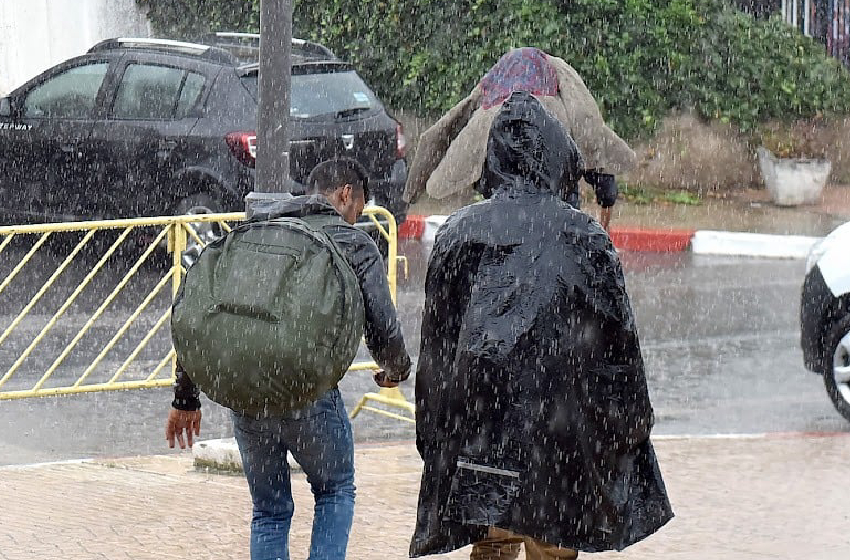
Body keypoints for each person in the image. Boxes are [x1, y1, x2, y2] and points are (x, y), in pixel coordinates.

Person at [409, 91, 672, 559]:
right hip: (559, 442)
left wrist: (433, 434)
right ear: (557, 158)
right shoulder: (584, 238)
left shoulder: (459, 233)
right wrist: (631, 423)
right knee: (552, 545)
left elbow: (438, 350)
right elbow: (618, 349)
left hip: (480, 436)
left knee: (491, 545)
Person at [166, 157, 412, 560]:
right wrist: (395, 370)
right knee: (335, 490)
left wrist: (185, 397)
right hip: (308, 393)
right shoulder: (352, 242)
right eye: (358, 208)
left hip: (246, 393)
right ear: (345, 194)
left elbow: (203, 316)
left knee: (269, 510)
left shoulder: (257, 231)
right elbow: (383, 327)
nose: (356, 218)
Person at [403, 47, 633, 230]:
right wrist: (604, 220)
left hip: (502, 209)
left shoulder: (493, 88)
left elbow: (441, 132)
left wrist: (410, 194)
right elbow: (590, 130)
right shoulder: (562, 92)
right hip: (557, 208)